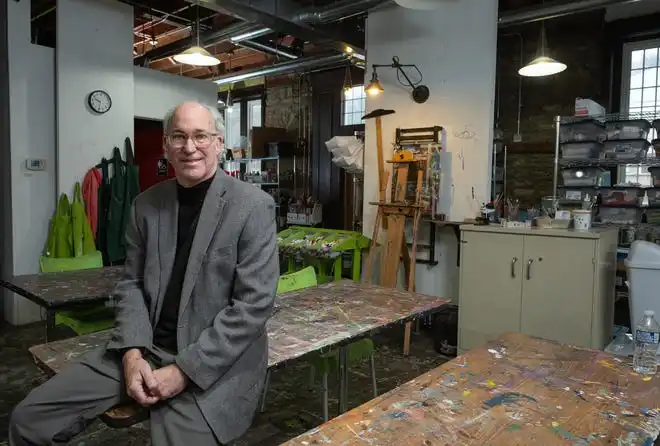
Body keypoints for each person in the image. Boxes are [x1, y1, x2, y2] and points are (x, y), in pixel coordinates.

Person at [9, 102, 279, 445]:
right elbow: (133, 284)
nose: (190, 147)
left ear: (219, 142)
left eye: (201, 136)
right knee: (29, 419)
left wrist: (184, 371)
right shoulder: (145, 205)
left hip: (212, 359)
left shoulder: (252, 206)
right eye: (179, 136)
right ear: (166, 144)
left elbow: (252, 306)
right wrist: (132, 353)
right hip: (145, 346)